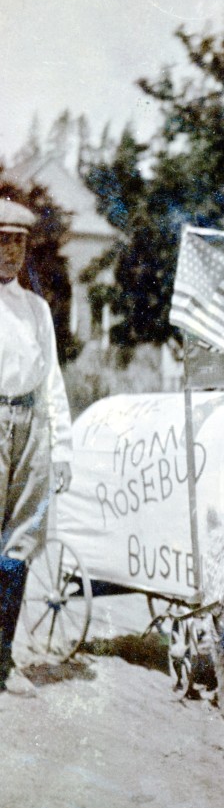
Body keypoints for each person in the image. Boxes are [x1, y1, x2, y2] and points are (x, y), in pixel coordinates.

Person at [0, 198, 73, 697]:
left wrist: (61, 449)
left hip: (32, 428)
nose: (11, 252)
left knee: (19, 543)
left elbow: (52, 383)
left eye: (19, 242)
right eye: (2, 240)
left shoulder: (36, 309)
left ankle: (3, 660)